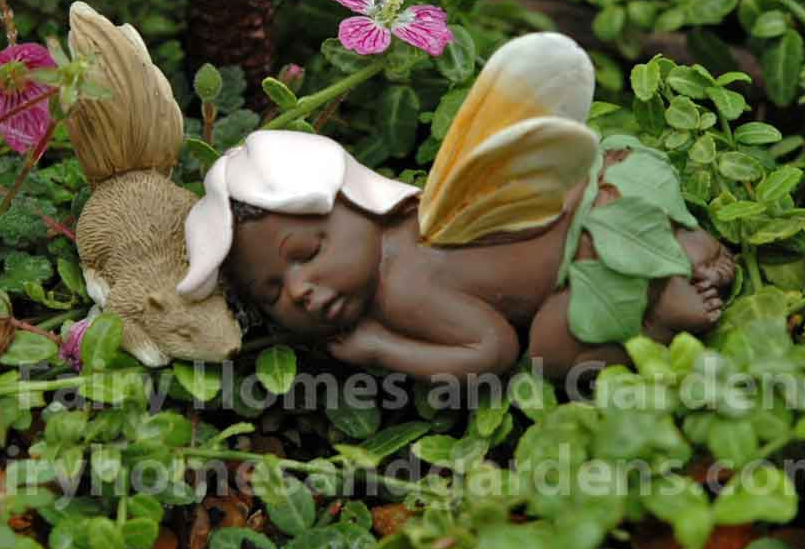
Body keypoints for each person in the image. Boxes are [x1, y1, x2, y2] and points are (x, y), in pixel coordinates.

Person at [177, 34, 734, 380]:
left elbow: (492, 351)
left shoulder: (403, 290)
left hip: (588, 258)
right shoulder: (423, 212)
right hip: (609, 189)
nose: (298, 290)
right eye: (271, 294)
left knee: (549, 352)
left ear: (360, 201)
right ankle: (687, 250)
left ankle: (662, 309)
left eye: (305, 251)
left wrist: (382, 349)